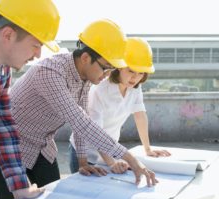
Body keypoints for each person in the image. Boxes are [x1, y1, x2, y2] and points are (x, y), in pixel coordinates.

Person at [9, 19, 157, 196]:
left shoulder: (85, 78)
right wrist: (131, 160)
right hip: (10, 149)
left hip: (43, 148)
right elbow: (81, 123)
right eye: (105, 68)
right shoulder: (50, 73)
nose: (107, 75)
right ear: (86, 58)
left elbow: (81, 120)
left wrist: (82, 162)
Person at [0, 0, 60, 199]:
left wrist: (19, 186)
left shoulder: (2, 72)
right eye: (36, 44)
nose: (39, 55)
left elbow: (3, 127)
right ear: (8, 35)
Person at [69, 37, 171, 174]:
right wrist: (112, 163)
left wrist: (148, 149)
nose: (135, 78)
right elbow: (96, 131)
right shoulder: (100, 89)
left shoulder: (135, 88)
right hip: (84, 154)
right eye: (130, 71)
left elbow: (140, 115)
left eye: (141, 73)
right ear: (119, 67)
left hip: (110, 151)